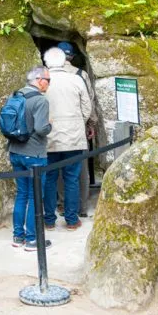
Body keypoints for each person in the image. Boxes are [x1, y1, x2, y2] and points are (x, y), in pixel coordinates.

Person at [42, 46, 93, 231]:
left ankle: (49, 220)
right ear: (64, 60)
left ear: (46, 62)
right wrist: (78, 122)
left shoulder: (42, 81)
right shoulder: (76, 79)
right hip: (73, 137)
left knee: (49, 178)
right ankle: (72, 220)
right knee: (72, 178)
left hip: (49, 138)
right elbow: (87, 108)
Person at [6, 66, 52, 251]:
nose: (49, 84)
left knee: (21, 194)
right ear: (39, 80)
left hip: (15, 151)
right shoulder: (40, 101)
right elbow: (41, 129)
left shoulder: (15, 96)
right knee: (35, 197)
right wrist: (50, 126)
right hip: (34, 154)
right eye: (48, 80)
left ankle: (18, 236)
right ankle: (32, 239)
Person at [58, 41, 99, 217]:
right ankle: (81, 207)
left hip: (54, 130)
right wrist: (90, 124)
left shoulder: (46, 75)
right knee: (80, 169)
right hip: (78, 128)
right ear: (72, 57)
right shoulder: (81, 74)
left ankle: (62, 204)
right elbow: (89, 102)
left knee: (59, 168)